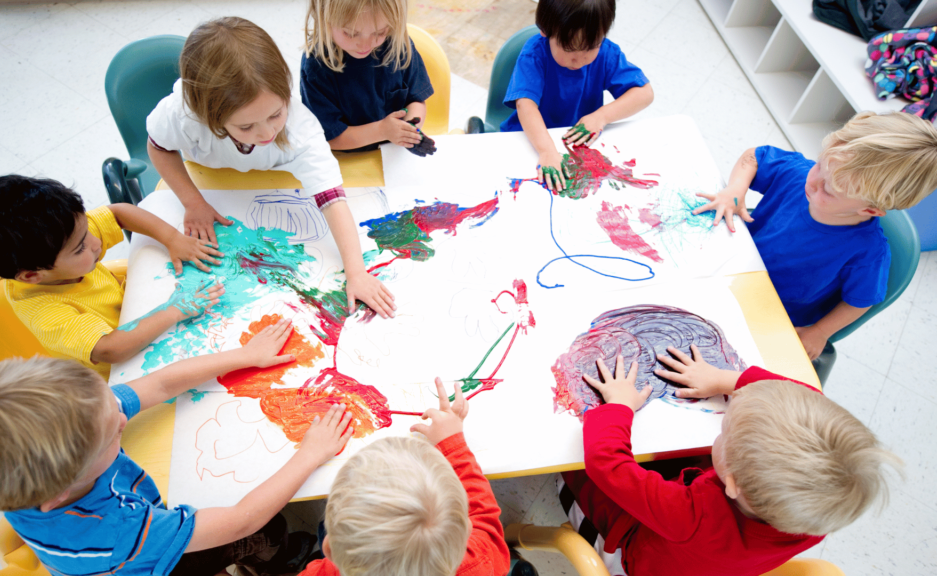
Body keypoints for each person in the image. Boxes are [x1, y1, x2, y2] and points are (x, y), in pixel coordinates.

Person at [0, 319, 353, 576]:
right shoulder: (117, 530)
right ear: (59, 490)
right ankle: (269, 559)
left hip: (130, 538)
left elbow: (160, 383)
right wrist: (310, 453)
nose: (124, 416)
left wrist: (245, 356)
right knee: (250, 533)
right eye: (115, 434)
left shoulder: (73, 425)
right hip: (146, 564)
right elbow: (241, 520)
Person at [557, 348, 901, 576]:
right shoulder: (820, 509)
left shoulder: (693, 516)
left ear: (732, 484)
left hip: (635, 556)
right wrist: (728, 380)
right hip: (707, 554)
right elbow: (808, 399)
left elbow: (606, 464)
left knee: (572, 463)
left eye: (724, 431)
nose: (719, 431)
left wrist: (618, 406)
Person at [147, 17, 396, 318]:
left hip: (273, 178)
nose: (266, 133)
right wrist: (193, 201)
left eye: (276, 114)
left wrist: (356, 273)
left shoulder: (300, 129)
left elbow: (332, 200)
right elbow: (159, 148)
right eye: (247, 126)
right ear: (208, 117)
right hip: (207, 176)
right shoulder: (182, 114)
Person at [695, 111, 937, 359]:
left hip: (771, 315)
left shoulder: (868, 254)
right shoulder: (801, 174)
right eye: (821, 164)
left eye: (829, 190)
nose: (813, 181)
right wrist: (736, 188)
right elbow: (754, 156)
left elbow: (860, 301)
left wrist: (820, 331)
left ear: (869, 210)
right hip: (731, 269)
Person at [0, 174, 224, 380]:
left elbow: (118, 214)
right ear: (32, 275)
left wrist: (172, 238)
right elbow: (111, 350)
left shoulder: (60, 234)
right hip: (121, 369)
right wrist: (175, 310)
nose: (95, 243)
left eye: (86, 231)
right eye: (80, 247)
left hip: (137, 311)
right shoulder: (46, 312)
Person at [298, 379, 511, 576]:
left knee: (325, 528)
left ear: (329, 551)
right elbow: (486, 522)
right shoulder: (479, 564)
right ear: (467, 531)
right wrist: (453, 445)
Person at [501, 0, 653, 191]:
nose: (581, 59)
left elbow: (644, 93)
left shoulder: (606, 54)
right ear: (546, 31)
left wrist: (602, 116)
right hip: (530, 139)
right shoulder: (534, 55)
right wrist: (546, 150)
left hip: (575, 140)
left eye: (591, 47)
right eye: (570, 49)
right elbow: (525, 105)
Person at [301, 0, 436, 156]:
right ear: (324, 18)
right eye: (351, 33)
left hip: (394, 156)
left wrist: (409, 131)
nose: (365, 45)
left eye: (379, 33)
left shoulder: (398, 44)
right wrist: (382, 131)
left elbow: (416, 99)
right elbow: (330, 137)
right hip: (348, 159)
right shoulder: (316, 66)